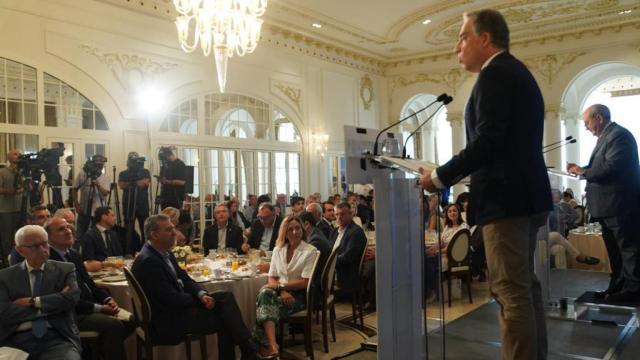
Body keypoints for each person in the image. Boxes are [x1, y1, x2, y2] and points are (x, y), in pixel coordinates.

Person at [420, 10, 552, 360]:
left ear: (485, 38)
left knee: (511, 293)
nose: (456, 47)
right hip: (524, 196)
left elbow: (488, 141)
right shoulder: (515, 71)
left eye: (462, 37)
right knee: (524, 289)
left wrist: (438, 177)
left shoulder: (496, 75)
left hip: (506, 201)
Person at [131, 214, 258, 360]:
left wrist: (201, 294)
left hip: (174, 311)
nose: (174, 233)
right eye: (168, 230)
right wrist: (199, 301)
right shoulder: (149, 261)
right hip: (167, 321)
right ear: (154, 235)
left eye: (173, 228)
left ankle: (248, 351)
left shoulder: (163, 252)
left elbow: (185, 278)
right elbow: (171, 299)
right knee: (226, 317)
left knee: (225, 298)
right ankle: (249, 351)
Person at [567, 104, 640, 302]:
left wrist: (584, 172)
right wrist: (581, 169)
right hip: (608, 206)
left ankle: (633, 290)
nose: (586, 127)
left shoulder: (619, 135)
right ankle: (617, 286)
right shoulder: (607, 137)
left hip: (620, 204)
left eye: (587, 122)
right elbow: (600, 167)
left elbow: (613, 167)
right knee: (615, 251)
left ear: (598, 118)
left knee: (628, 249)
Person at [46, 218, 132, 360]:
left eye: (68, 227)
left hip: (91, 306)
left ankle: (98, 353)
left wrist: (107, 298)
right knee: (114, 325)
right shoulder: (50, 260)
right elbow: (67, 299)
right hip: (72, 313)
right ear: (48, 237)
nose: (68, 231)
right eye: (61, 229)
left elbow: (90, 284)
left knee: (132, 320)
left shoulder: (73, 254)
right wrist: (99, 308)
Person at [0, 225, 81, 360]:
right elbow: (4, 313)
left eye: (45, 244)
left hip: (56, 337)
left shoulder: (65, 269)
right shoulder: (5, 276)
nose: (43, 250)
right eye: (35, 246)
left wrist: (33, 302)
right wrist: (53, 303)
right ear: (20, 250)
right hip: (15, 340)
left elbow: (70, 300)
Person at [253, 216, 319, 358]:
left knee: (263, 299)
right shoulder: (278, 249)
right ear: (284, 232)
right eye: (290, 229)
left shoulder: (310, 251)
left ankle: (266, 346)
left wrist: (278, 287)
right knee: (265, 295)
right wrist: (281, 290)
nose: (295, 232)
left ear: (302, 229)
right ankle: (272, 344)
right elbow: (272, 276)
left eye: (297, 228)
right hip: (281, 294)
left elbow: (305, 282)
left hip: (299, 296)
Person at [330, 202, 367, 292]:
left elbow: (348, 257)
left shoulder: (356, 232)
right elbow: (329, 250)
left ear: (350, 214)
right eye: (337, 214)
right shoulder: (335, 231)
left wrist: (329, 263)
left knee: (317, 290)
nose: (339, 217)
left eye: (342, 214)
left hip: (345, 277)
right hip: (333, 273)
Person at [118, 151, 151, 252]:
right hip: (128, 205)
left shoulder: (145, 171)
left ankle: (146, 250)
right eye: (132, 159)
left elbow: (145, 182)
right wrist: (136, 183)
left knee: (145, 229)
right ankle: (129, 251)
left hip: (142, 205)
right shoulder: (123, 173)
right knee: (129, 230)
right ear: (128, 160)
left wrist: (131, 184)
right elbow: (121, 185)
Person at [72, 154, 110, 237]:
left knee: (95, 236)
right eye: (96, 164)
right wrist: (76, 205)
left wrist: (98, 184)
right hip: (83, 211)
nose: (99, 166)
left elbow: (105, 193)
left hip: (97, 213)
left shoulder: (105, 177)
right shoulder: (83, 174)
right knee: (80, 236)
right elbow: (74, 189)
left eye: (101, 164)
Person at [299, 211, 331, 304]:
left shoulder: (315, 241)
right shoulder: (316, 233)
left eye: (298, 227)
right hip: (317, 282)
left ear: (306, 224)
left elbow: (304, 266)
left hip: (315, 288)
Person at [81, 206, 124, 272]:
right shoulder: (89, 235)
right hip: (98, 272)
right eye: (112, 215)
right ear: (104, 217)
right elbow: (88, 260)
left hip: (115, 271)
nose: (115, 218)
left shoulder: (114, 234)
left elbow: (119, 255)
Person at [0, 148, 22, 268]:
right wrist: (12, 191)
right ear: (8, 157)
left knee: (22, 237)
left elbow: (29, 188)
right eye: (15, 154)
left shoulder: (23, 172)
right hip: (6, 210)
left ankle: (20, 261)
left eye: (19, 154)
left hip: (22, 209)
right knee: (7, 238)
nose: (18, 156)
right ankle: (6, 263)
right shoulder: (2, 172)